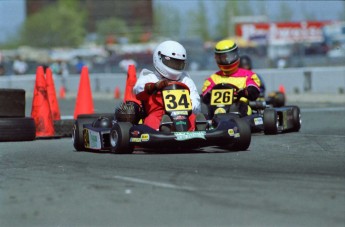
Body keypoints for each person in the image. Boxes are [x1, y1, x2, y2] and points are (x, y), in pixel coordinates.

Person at [133, 40, 201, 131]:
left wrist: (188, 107)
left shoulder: (185, 80)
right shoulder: (149, 77)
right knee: (151, 120)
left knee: (193, 118)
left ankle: (198, 129)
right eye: (172, 62)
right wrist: (154, 86)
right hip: (158, 114)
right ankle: (163, 129)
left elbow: (196, 102)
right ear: (159, 58)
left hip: (184, 115)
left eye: (178, 63)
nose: (175, 66)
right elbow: (138, 90)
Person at [201, 40, 260, 116]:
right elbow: (205, 98)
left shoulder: (248, 75)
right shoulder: (212, 79)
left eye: (229, 57)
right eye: (221, 58)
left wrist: (244, 92)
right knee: (204, 108)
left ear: (236, 55)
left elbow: (254, 91)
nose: (226, 61)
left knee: (239, 106)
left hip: (240, 112)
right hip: (217, 111)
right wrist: (210, 94)